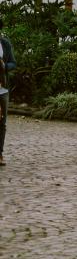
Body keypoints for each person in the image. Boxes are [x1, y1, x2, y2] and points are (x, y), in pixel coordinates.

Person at [0, 15, 15, 166]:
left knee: (2, 122)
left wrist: (5, 66)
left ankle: (0, 154)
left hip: (3, 88)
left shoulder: (5, 44)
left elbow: (13, 63)